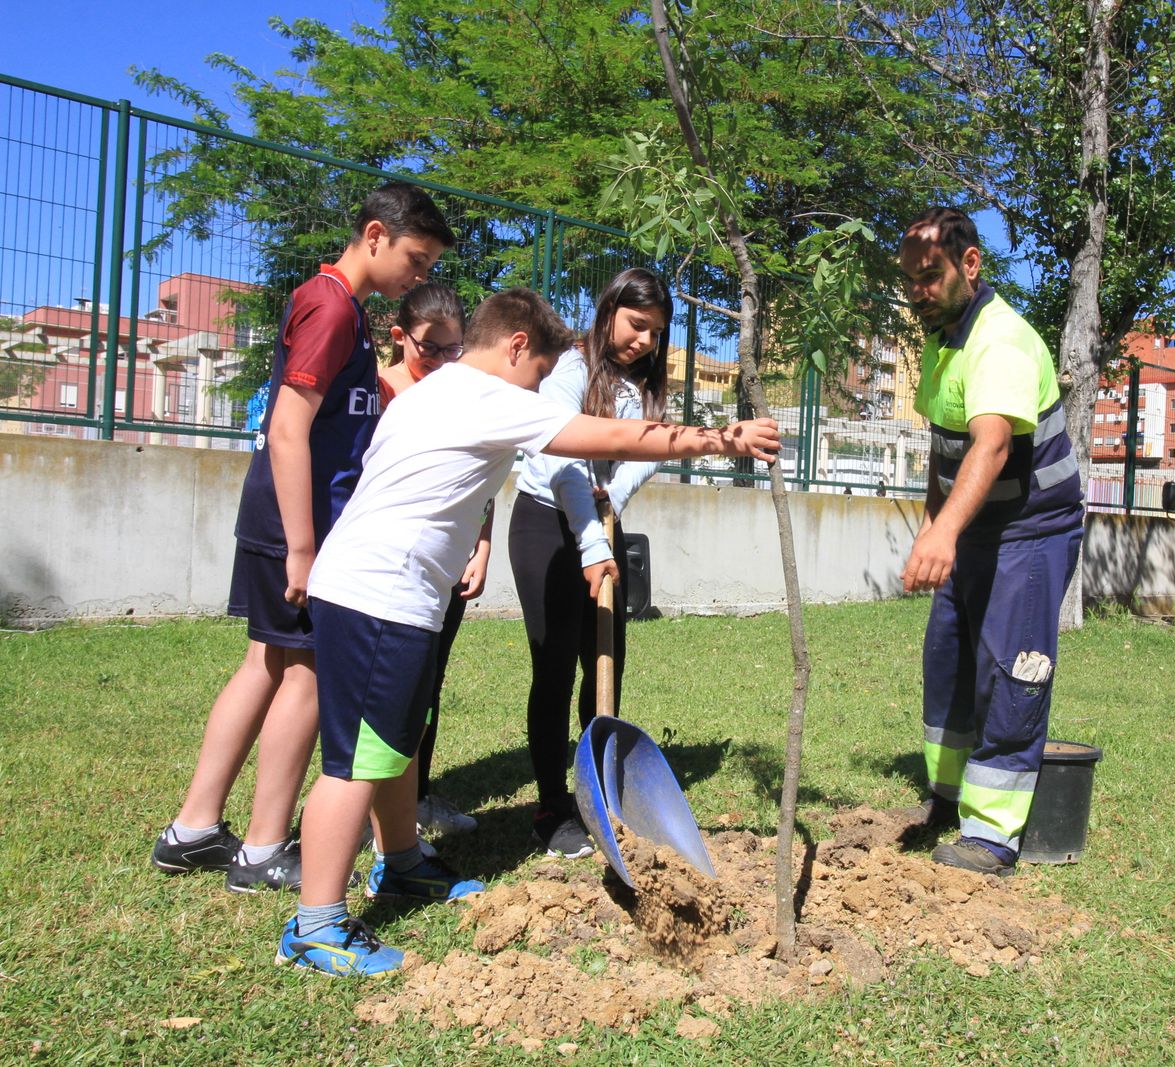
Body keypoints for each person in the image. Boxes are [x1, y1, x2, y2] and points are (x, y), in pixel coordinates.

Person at [276, 287, 779, 976]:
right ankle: (315, 924)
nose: (540, 393)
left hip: (392, 595)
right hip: (380, 598)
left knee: (395, 743)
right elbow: (610, 437)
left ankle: (400, 863)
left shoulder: (433, 391)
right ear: (516, 347)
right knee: (356, 763)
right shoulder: (485, 395)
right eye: (540, 377)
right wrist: (722, 438)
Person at [150, 183, 455, 893]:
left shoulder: (343, 307)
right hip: (299, 528)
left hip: (287, 522)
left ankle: (193, 829)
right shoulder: (329, 304)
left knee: (265, 663)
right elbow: (288, 426)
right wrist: (303, 546)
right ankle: (261, 848)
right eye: (415, 257)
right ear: (375, 234)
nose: (420, 275)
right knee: (309, 674)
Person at [896, 207, 1085, 878]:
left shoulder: (999, 340)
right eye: (910, 279)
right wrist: (931, 519)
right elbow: (943, 447)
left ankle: (993, 835)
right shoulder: (942, 337)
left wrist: (946, 528)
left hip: (1031, 530)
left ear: (970, 264)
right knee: (947, 660)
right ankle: (950, 800)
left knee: (1012, 669)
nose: (918, 290)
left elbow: (992, 442)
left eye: (931, 276)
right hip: (974, 527)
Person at [508, 267, 671, 859]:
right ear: (607, 313)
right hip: (546, 522)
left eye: (655, 332)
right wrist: (592, 543)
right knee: (554, 666)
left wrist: (613, 505)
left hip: (601, 520)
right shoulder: (570, 370)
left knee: (606, 659)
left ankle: (597, 786)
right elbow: (562, 461)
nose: (644, 342)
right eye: (635, 325)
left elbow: (648, 450)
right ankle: (553, 805)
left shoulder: (645, 384)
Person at [376, 282, 483, 839]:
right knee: (388, 691)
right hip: (391, 569)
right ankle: (377, 812)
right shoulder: (385, 392)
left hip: (447, 563)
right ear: (400, 338)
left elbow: (475, 473)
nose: (441, 362)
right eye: (429, 349)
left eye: (453, 350)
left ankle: (413, 800)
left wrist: (481, 544)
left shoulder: (457, 393)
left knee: (428, 684)